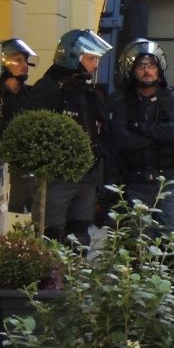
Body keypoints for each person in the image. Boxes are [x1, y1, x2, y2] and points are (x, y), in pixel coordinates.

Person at [26, 29, 112, 244]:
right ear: (74, 57)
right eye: (92, 58)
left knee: (80, 237)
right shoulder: (48, 89)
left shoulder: (87, 91)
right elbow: (33, 132)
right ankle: (50, 278)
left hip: (87, 176)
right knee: (50, 236)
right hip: (57, 178)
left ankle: (74, 276)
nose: (96, 65)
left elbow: (102, 130)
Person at [107, 39, 174, 237]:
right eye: (141, 66)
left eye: (152, 65)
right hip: (135, 185)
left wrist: (139, 128)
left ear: (159, 68)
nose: (147, 71)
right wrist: (159, 135)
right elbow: (121, 141)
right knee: (138, 246)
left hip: (167, 184)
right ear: (131, 69)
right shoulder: (120, 103)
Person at [0, 39, 37, 214]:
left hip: (26, 168)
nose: (24, 64)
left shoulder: (33, 95)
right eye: (17, 60)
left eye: (25, 60)